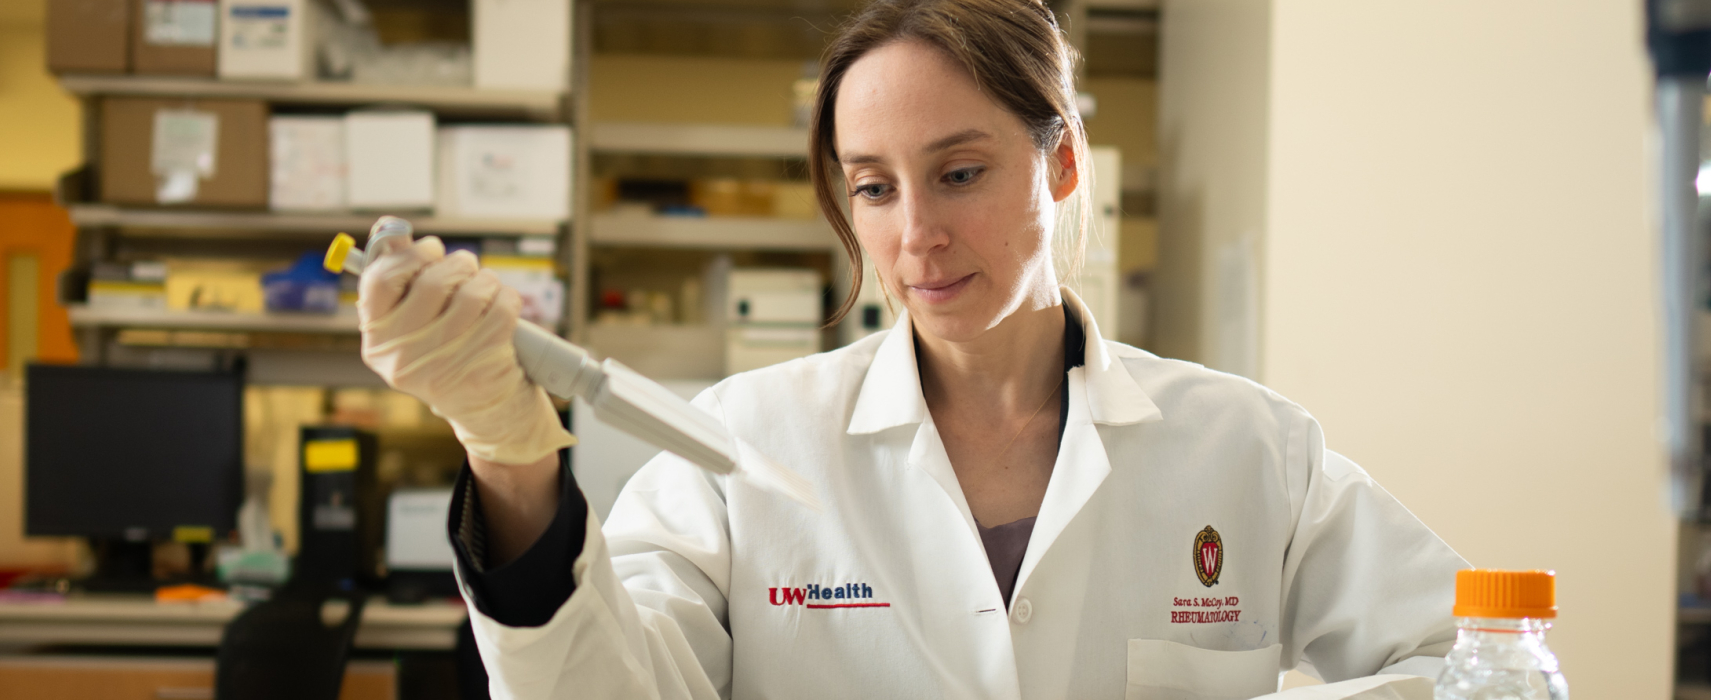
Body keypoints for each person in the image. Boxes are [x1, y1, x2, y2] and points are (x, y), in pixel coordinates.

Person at [357, 0, 1468, 696]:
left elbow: (1461, 662)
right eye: (874, 188)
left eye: (962, 171)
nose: (915, 234)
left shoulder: (1248, 445)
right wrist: (508, 455)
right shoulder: (746, 442)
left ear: (1064, 163)